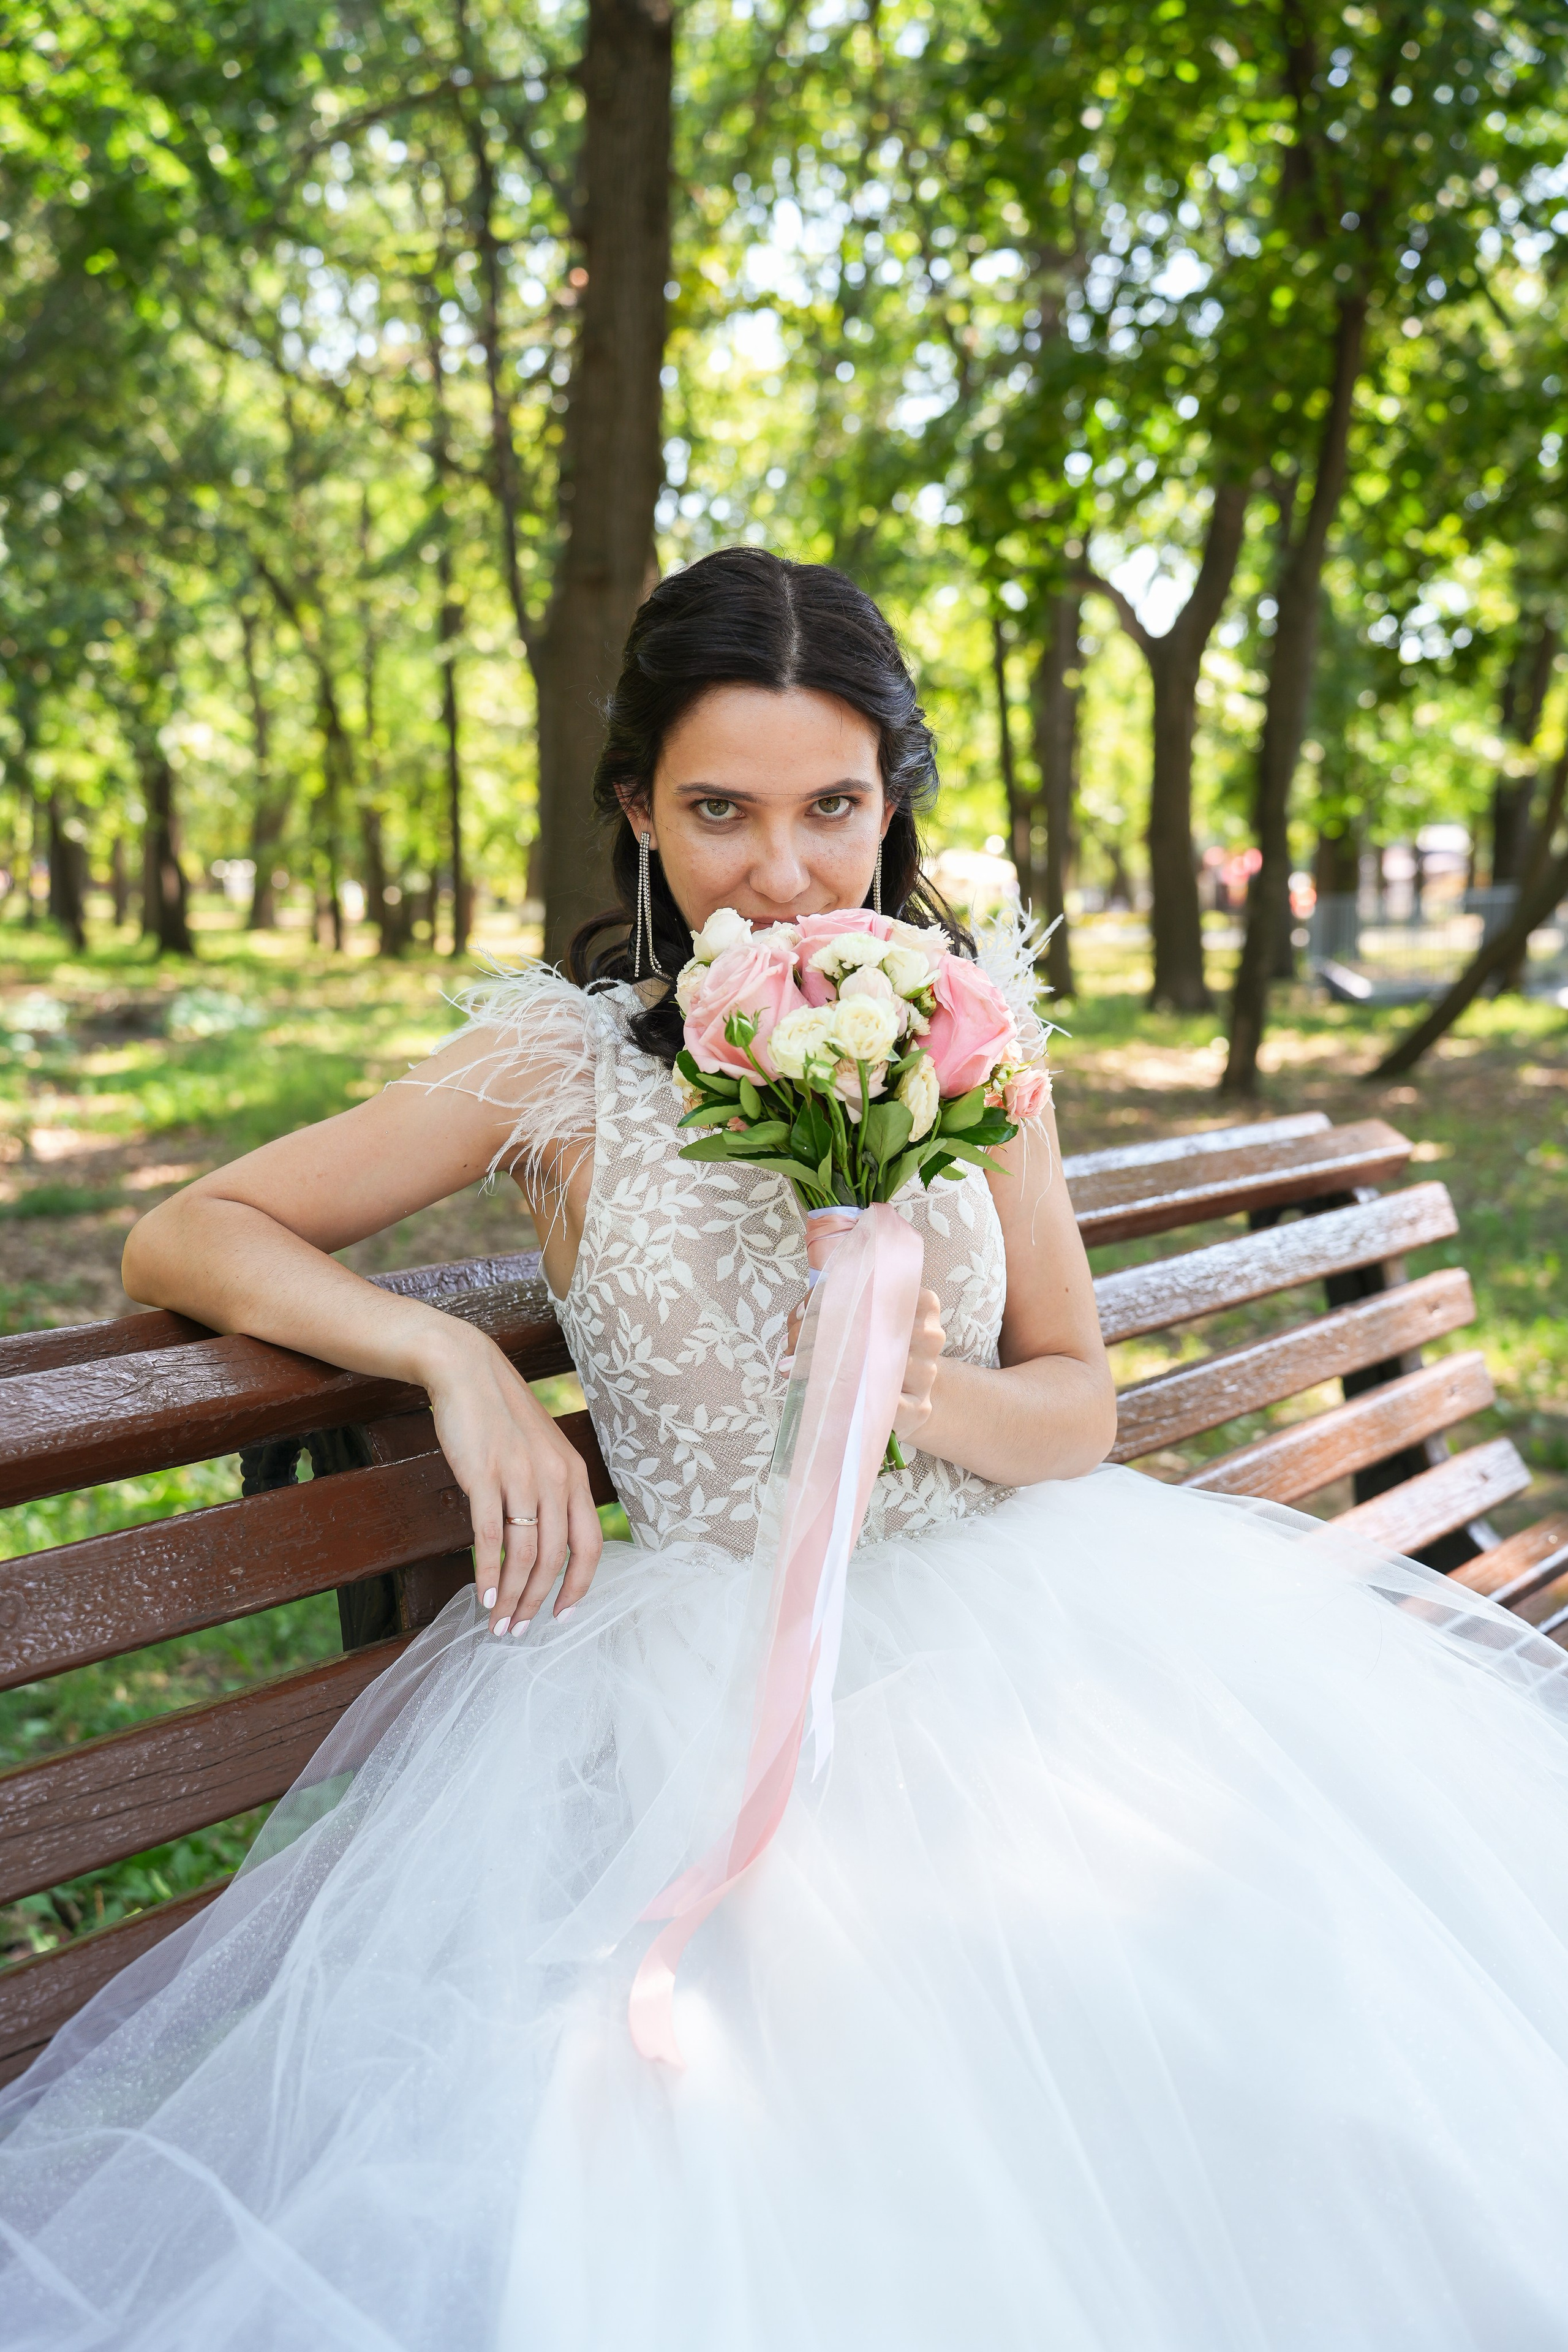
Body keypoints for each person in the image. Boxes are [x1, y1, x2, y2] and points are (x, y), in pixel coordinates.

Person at [2, 548, 1567, 2352]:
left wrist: (914, 1390)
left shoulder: (969, 1041)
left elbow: (1078, 1401)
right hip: (703, 1678)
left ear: (893, 796)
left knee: (1269, 2034)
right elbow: (194, 1231)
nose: (784, 869)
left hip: (1025, 1635)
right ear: (637, 816)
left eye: (834, 805)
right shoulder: (565, 1072)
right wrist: (452, 1357)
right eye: (717, 811)